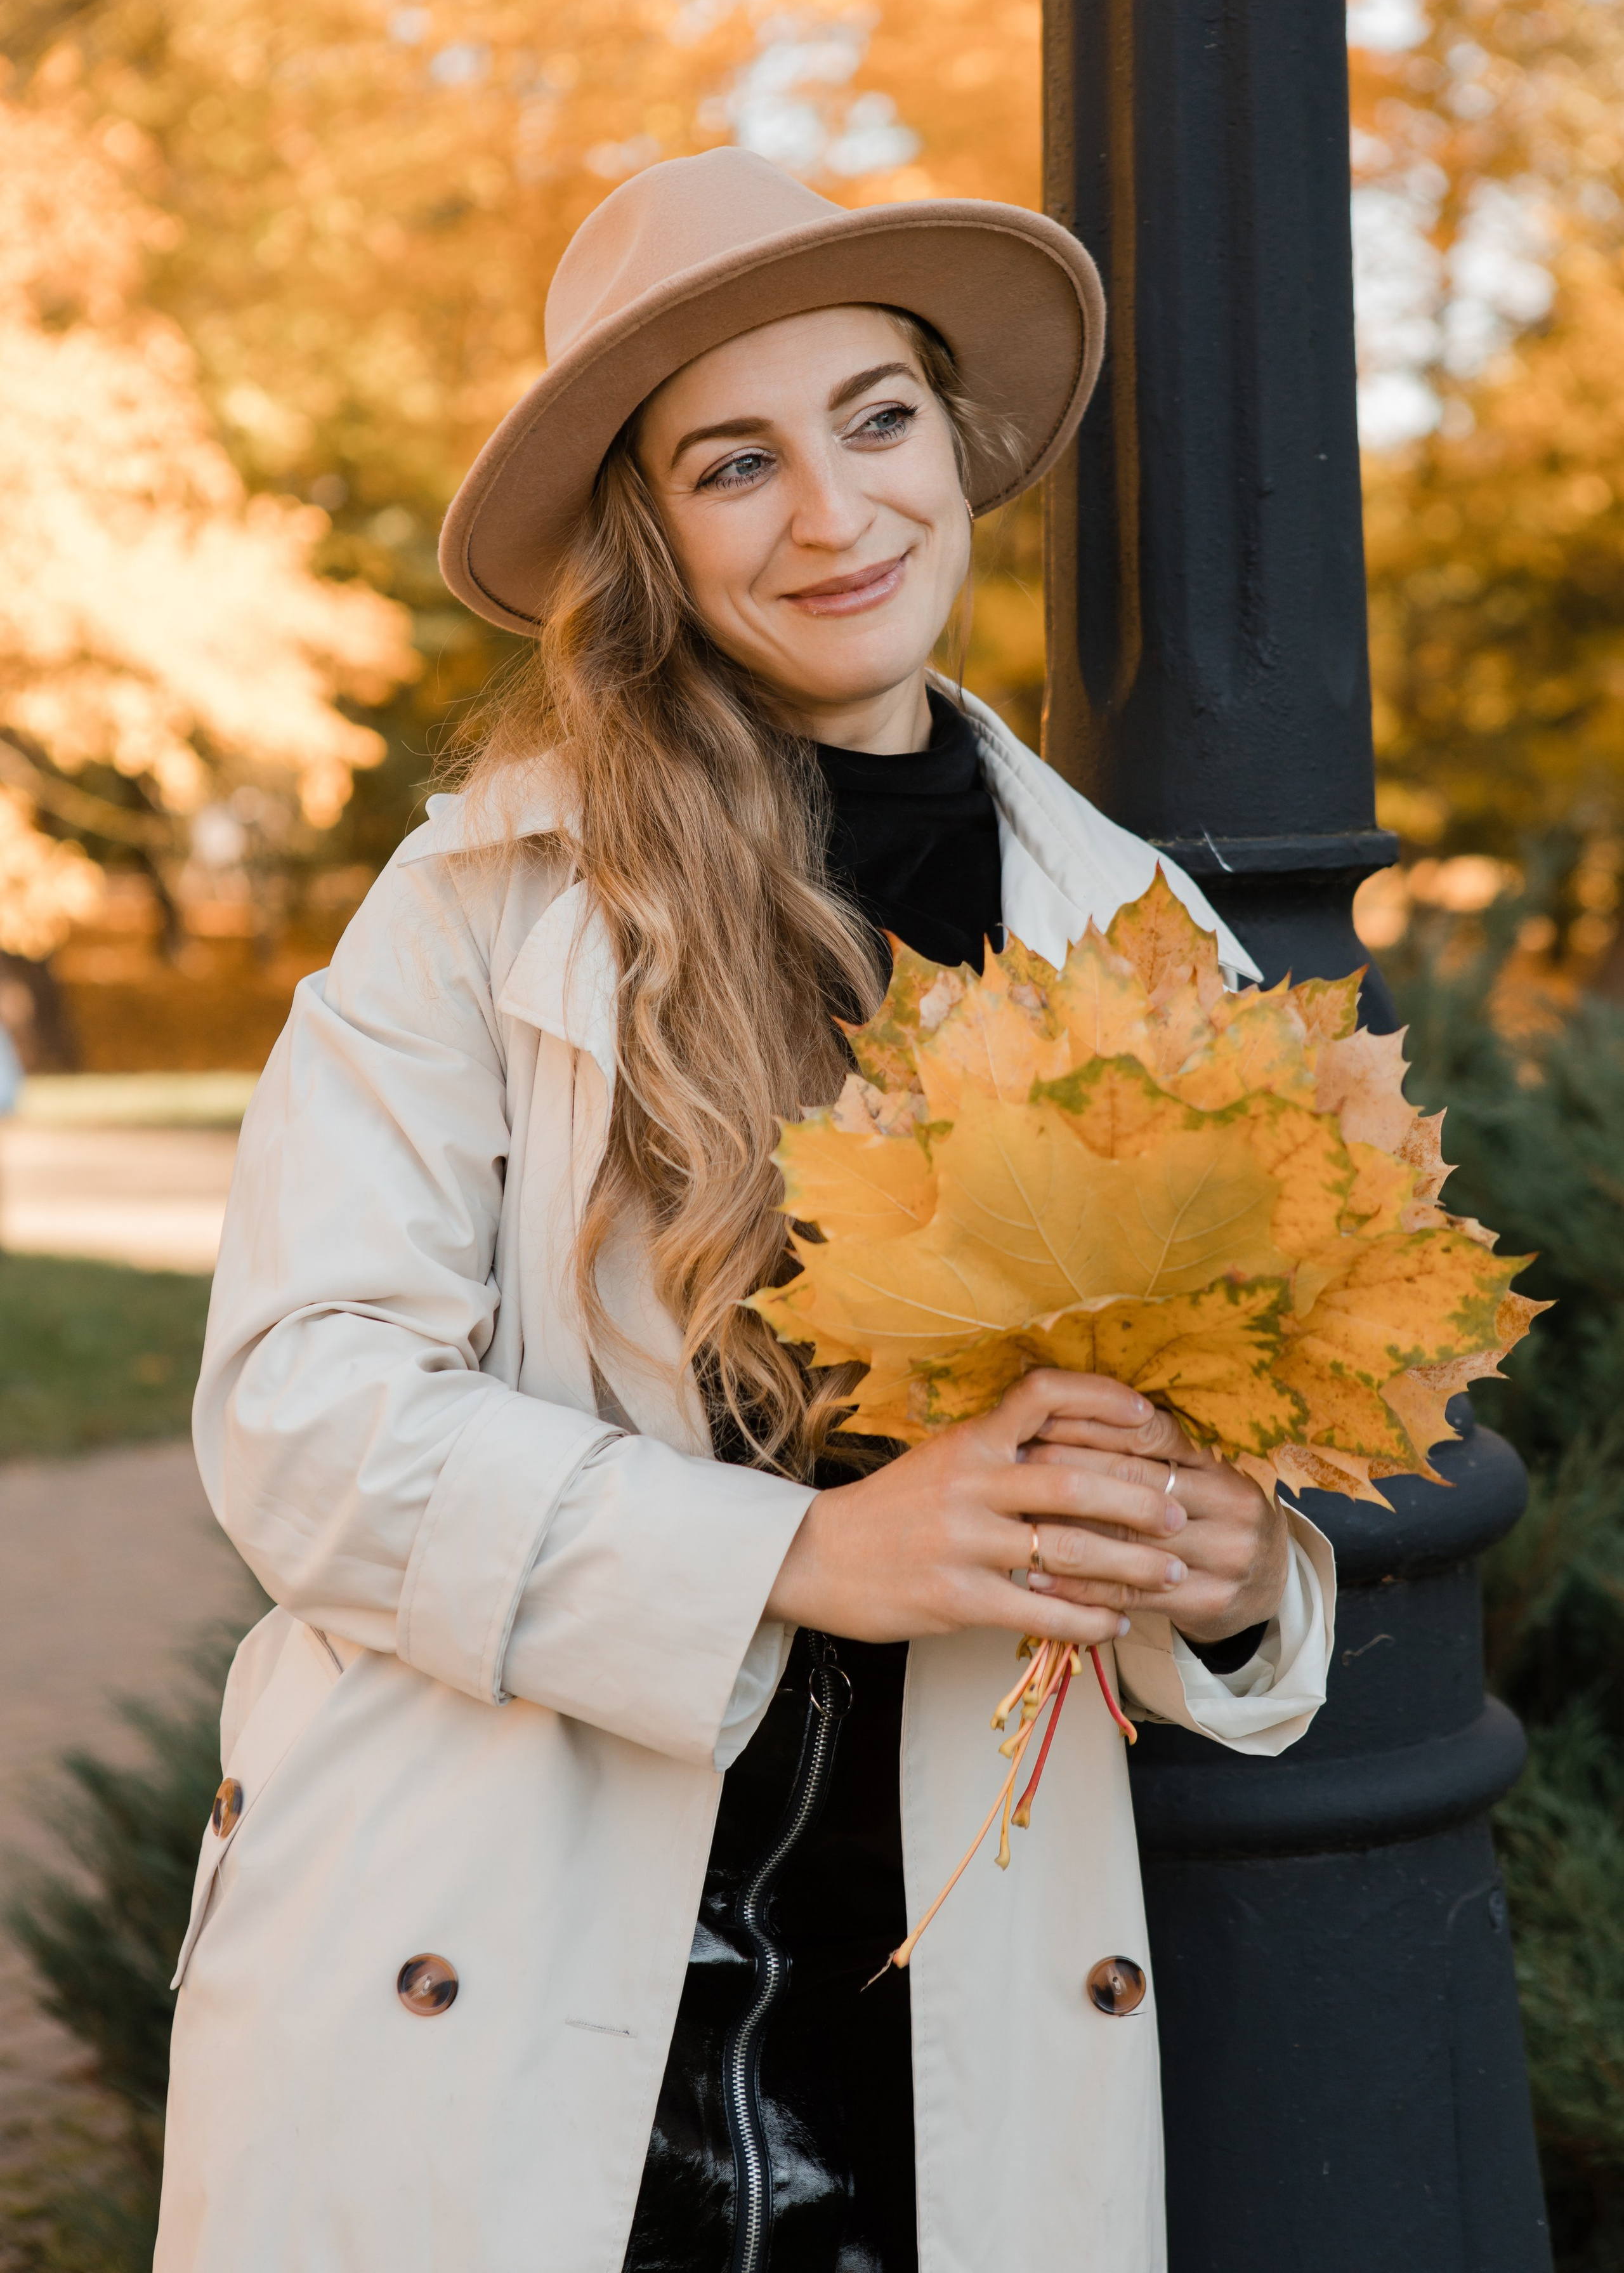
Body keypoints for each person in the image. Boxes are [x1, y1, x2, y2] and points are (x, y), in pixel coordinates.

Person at [155, 148, 1335, 2273]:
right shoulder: (480, 907)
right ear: (650, 533)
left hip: (944, 1985)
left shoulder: (1136, 933)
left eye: (876, 421)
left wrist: (1232, 1568)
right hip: (504, 1967)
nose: (834, 513)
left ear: (955, 445)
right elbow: (299, 1413)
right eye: (734, 464)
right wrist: (805, 1552)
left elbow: (1231, 1460)